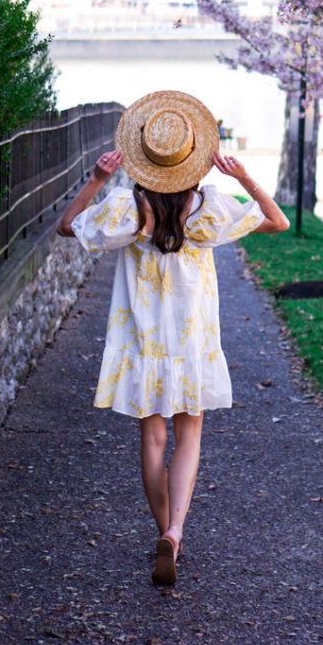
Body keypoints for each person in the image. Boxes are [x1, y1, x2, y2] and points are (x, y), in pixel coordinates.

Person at [56, 90, 289, 586]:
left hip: (142, 340)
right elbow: (277, 221)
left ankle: (164, 531)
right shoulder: (208, 208)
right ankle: (178, 531)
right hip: (192, 339)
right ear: (192, 160)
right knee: (189, 434)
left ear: (143, 159)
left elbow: (65, 226)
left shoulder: (124, 208)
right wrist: (243, 176)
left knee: (152, 435)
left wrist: (98, 177)